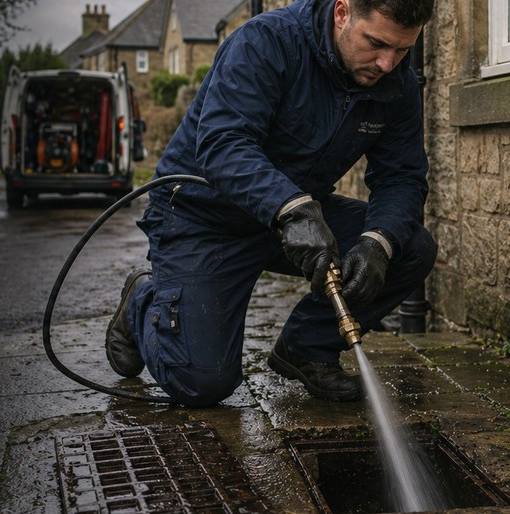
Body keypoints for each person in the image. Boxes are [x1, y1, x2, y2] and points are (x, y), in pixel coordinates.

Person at [105, 0, 437, 407]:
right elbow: (224, 144)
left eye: (402, 50)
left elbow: (402, 176)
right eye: (376, 44)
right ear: (342, 12)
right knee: (202, 382)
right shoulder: (267, 42)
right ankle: (142, 300)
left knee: (410, 246)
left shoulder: (395, 81)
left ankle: (307, 347)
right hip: (202, 216)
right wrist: (290, 208)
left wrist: (377, 242)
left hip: (292, 218)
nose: (388, 63)